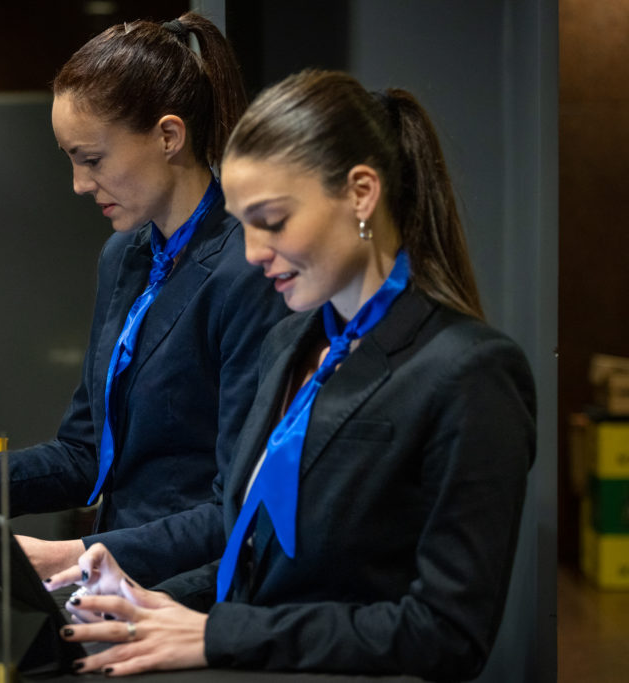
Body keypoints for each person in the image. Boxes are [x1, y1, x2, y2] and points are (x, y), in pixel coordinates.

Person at [44, 69, 537, 681]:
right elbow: (256, 560)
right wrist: (153, 605)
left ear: (361, 193)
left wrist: (214, 631)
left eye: (272, 221)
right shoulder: (292, 340)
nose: (253, 252)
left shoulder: (470, 372)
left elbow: (446, 634)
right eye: (243, 223)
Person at [0, 12, 286, 594]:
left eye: (91, 159)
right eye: (70, 159)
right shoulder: (123, 256)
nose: (78, 184)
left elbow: (240, 510)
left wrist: (70, 556)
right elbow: (85, 454)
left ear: (169, 137)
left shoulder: (251, 270)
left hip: (193, 593)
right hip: (114, 585)